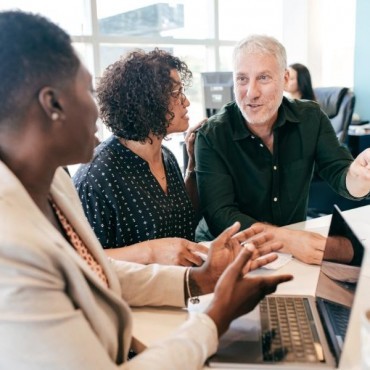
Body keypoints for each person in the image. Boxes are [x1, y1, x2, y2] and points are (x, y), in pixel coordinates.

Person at [0, 11, 293, 369]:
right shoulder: (10, 250)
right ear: (53, 104)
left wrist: (197, 280)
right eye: (86, 90)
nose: (99, 109)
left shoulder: (52, 183)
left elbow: (93, 268)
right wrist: (215, 318)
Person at [195, 34, 370, 265]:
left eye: (264, 78)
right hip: (230, 252)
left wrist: (358, 177)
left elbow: (340, 174)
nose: (251, 92)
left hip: (292, 250)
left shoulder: (311, 118)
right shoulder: (212, 135)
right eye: (242, 79)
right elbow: (221, 215)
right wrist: (286, 239)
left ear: (285, 78)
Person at [73, 49, 207, 266]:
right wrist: (150, 253)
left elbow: (184, 221)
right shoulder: (96, 177)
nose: (186, 102)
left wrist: (192, 165)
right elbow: (83, 259)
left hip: (178, 289)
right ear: (147, 102)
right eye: (176, 92)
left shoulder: (167, 157)